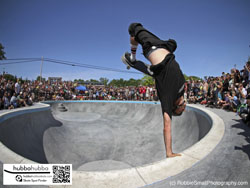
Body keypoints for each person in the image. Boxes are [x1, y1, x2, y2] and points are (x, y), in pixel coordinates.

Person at [122, 23, 186, 158]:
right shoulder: (182, 91)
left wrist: (169, 152)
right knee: (174, 44)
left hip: (152, 48)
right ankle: (152, 71)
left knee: (134, 28)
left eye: (182, 107)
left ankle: (133, 58)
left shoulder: (167, 98)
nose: (184, 105)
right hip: (166, 49)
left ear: (175, 106)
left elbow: (167, 126)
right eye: (184, 107)